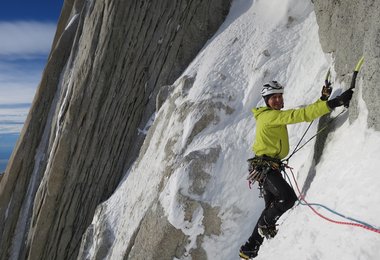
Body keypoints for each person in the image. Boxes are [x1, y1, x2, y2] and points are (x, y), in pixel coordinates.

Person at [239, 80, 353, 259]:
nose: (277, 100)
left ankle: (250, 248)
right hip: (266, 168)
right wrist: (333, 103)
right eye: (273, 98)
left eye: (279, 96)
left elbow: (303, 113)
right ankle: (264, 227)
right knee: (287, 198)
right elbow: (299, 115)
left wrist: (323, 100)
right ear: (266, 101)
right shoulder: (269, 116)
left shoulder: (272, 114)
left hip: (268, 168)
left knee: (270, 207)